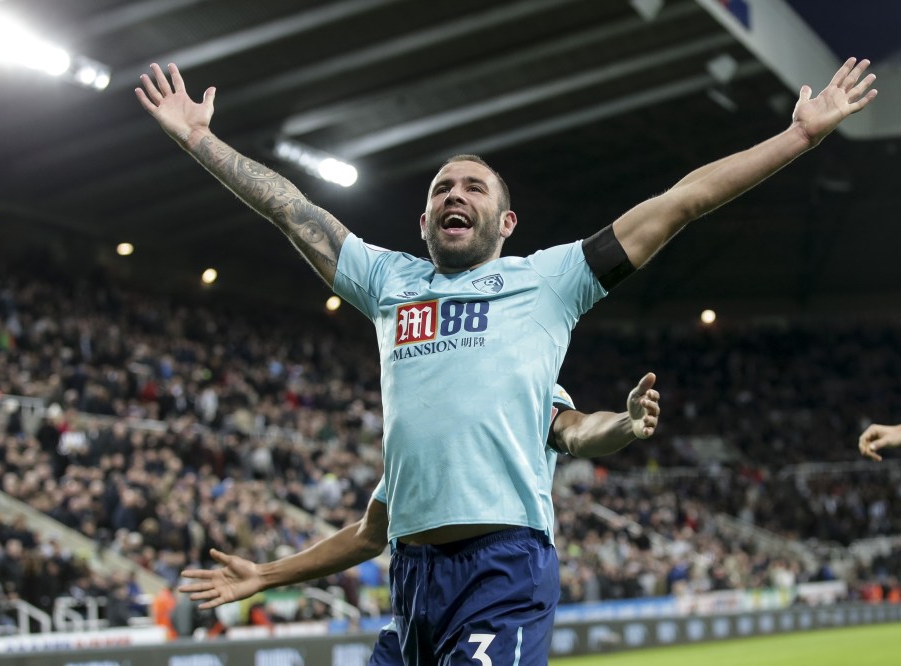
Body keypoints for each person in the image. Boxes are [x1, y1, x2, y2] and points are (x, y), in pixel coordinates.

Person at [137, 57, 875, 664]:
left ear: (506, 222)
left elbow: (678, 204)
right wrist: (201, 142)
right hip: (413, 584)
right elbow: (292, 210)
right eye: (440, 190)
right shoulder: (390, 282)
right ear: (422, 221)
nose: (454, 194)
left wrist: (797, 139)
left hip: (502, 571)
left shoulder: (548, 280)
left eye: (473, 187)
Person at [178, 376, 660, 663]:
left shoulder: (525, 381)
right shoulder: (419, 422)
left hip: (499, 576)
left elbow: (575, 430)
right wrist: (264, 573)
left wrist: (624, 423)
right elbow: (369, 534)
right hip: (414, 590)